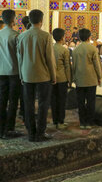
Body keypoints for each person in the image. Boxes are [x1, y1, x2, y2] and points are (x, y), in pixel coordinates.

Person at [16, 10, 57, 142]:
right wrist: (53, 75)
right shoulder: (46, 36)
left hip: (27, 75)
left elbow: (20, 59)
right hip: (43, 75)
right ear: (41, 20)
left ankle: (31, 133)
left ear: (30, 20)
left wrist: (21, 75)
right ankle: (40, 132)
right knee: (43, 105)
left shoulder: (22, 36)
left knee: (28, 104)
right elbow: (50, 59)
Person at [72, 28, 102, 129]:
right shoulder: (93, 49)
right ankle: (90, 122)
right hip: (91, 78)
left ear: (79, 37)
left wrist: (73, 78)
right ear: (89, 37)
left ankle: (82, 122)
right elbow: (97, 65)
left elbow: (74, 66)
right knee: (91, 101)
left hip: (79, 79)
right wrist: (99, 76)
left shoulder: (75, 50)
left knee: (80, 102)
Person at [0, 10, 22, 139]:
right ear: (14, 20)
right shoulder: (16, 35)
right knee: (13, 101)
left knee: (2, 100)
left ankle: (1, 128)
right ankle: (9, 128)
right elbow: (20, 56)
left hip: (0, 73)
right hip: (13, 72)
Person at [51, 28, 72, 130]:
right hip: (62, 78)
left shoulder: (50, 48)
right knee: (62, 100)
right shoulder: (64, 50)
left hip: (51, 78)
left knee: (53, 100)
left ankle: (54, 120)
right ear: (62, 37)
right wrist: (69, 80)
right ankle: (60, 121)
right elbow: (67, 66)